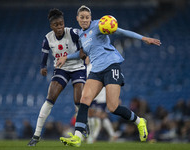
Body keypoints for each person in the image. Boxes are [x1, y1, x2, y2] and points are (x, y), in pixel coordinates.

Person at [58, 5, 161, 147]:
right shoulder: (81, 36)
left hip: (111, 65)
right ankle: (77, 138)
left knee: (112, 107)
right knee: (84, 100)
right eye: (82, 17)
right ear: (77, 19)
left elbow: (120, 31)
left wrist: (143, 38)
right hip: (96, 70)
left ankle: (139, 121)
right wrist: (66, 57)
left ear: (90, 18)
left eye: (87, 17)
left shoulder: (99, 25)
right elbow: (81, 54)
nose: (85, 20)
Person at [27, 8, 86, 146]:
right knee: (50, 99)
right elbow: (44, 53)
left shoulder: (72, 32)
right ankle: (36, 135)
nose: (60, 27)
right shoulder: (48, 38)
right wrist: (43, 66)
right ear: (51, 26)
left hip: (78, 68)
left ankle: (83, 125)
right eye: (56, 25)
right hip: (61, 69)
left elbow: (83, 50)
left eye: (61, 24)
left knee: (78, 100)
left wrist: (75, 54)